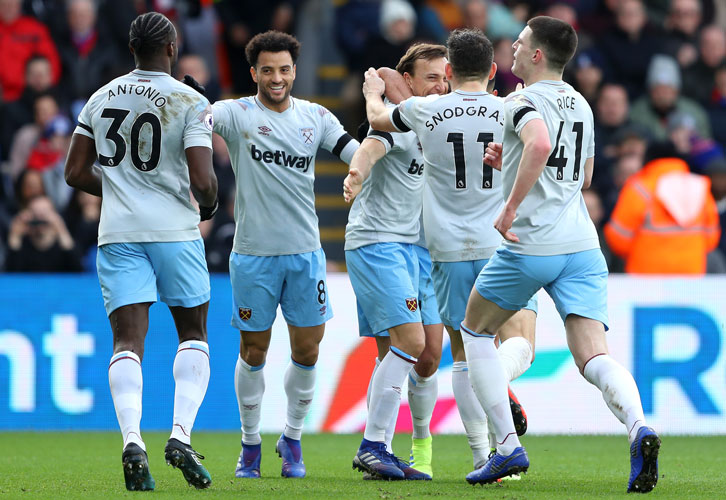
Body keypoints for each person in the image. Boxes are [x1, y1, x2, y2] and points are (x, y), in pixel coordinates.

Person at [458, 16, 660, 492]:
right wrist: (511, 159)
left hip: (530, 244)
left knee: (474, 332)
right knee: (593, 357)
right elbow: (582, 177)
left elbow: (541, 143)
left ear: (536, 55)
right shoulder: (583, 105)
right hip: (582, 246)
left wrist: (509, 208)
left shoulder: (521, 100)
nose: (512, 47)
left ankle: (506, 448)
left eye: (520, 42)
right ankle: (639, 428)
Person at [361, 27, 537, 478]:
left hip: (448, 250)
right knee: (519, 342)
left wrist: (372, 93)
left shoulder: (426, 109)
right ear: (494, 71)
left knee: (463, 353)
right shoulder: (511, 108)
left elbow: (380, 121)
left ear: (451, 71)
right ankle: (499, 416)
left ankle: (485, 453)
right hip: (503, 242)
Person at [64, 12, 218, 491]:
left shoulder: (100, 96)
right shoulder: (190, 100)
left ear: (132, 49)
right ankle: (180, 435)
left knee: (127, 341)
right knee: (192, 332)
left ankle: (133, 439)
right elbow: (204, 182)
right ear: (171, 48)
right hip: (175, 232)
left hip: (118, 233)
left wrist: (120, 191)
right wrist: (208, 205)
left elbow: (74, 172)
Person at [210, 30, 358, 480]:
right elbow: (199, 118)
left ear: (294, 71)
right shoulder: (237, 114)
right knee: (253, 350)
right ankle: (250, 444)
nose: (277, 78)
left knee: (308, 350)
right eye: (268, 70)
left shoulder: (316, 117)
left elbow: (356, 153)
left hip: (305, 254)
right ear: (254, 73)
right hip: (253, 255)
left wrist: (365, 166)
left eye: (285, 69)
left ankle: (292, 439)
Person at [343, 43, 448, 480]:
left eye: (445, 77)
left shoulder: (437, 121)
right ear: (409, 82)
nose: (441, 86)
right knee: (411, 343)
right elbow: (372, 144)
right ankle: (373, 445)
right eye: (431, 78)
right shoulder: (399, 122)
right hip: (378, 242)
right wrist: (356, 173)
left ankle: (381, 451)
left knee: (411, 354)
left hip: (417, 249)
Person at [604, 141, 720, 274]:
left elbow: (618, 239)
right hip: (690, 273)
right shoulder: (700, 188)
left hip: (646, 275)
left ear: (648, 160)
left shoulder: (639, 189)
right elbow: (711, 239)